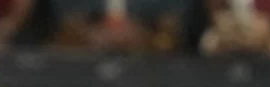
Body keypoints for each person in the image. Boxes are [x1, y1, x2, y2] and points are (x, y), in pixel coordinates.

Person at [52, 0, 189, 52]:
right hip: (85, 72)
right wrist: (90, 36)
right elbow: (63, 30)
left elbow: (172, 33)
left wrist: (144, 37)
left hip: (152, 72)